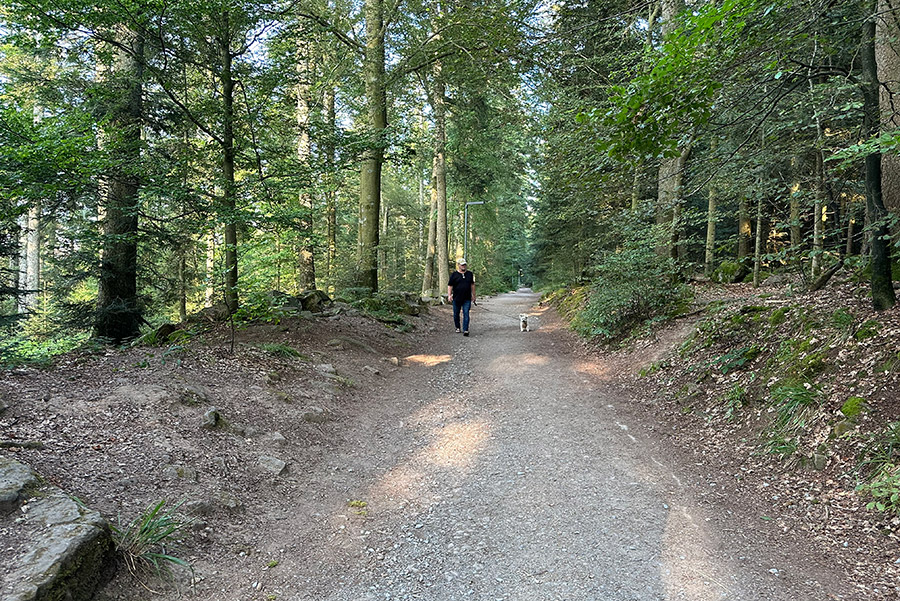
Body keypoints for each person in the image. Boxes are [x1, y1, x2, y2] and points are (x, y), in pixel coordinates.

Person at [448, 258, 476, 336]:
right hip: (456, 298)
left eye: (465, 264)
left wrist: (474, 295)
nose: (464, 266)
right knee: (456, 314)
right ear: (458, 265)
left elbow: (472, 285)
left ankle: (465, 329)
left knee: (466, 313)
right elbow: (450, 285)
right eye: (462, 264)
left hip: (467, 298)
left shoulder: (470, 274)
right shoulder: (454, 275)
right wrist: (449, 295)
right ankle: (457, 327)